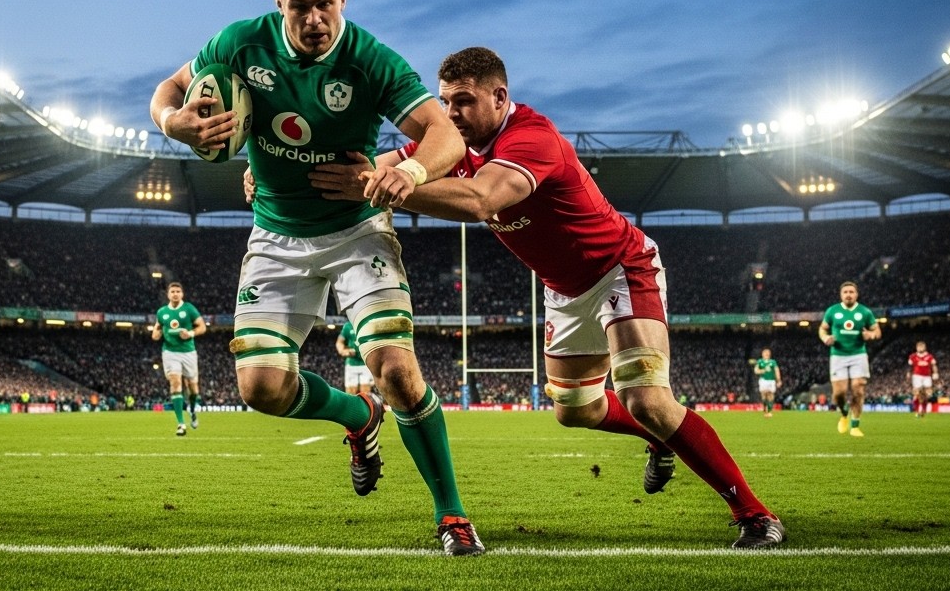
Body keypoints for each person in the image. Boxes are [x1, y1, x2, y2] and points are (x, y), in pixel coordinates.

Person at [308, 46, 785, 548]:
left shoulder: (530, 137)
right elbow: (375, 165)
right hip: (563, 289)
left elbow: (481, 200)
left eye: (464, 101)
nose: (451, 114)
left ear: (500, 96)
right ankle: (655, 438)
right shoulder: (452, 142)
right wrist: (284, 180)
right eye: (445, 102)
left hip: (620, 268)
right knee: (574, 409)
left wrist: (378, 187)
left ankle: (753, 513)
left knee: (646, 399)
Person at [150, 0, 482, 556]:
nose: (314, 21)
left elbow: (445, 137)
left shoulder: (369, 59)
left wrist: (408, 176)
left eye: (325, 5)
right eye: (299, 6)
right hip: (276, 234)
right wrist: (177, 124)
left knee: (398, 372)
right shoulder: (238, 44)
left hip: (357, 229)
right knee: (261, 389)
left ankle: (452, 515)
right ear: (278, 1)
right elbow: (166, 92)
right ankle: (357, 419)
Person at [818, 281, 880, 438]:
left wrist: (871, 335)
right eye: (845, 292)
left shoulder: (865, 312)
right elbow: (822, 328)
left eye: (851, 292)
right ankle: (844, 413)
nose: (848, 294)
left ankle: (855, 425)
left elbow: (876, 330)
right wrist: (825, 338)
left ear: (856, 294)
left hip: (858, 354)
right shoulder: (832, 311)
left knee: (858, 388)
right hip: (838, 355)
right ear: (841, 294)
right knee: (839, 393)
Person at [152, 282, 205, 436]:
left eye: (178, 291)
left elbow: (202, 327)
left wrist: (191, 334)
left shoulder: (189, 309)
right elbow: (157, 329)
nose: (175, 294)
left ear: (182, 294)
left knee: (193, 389)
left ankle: (193, 410)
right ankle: (181, 424)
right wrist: (156, 334)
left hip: (188, 352)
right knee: (175, 383)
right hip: (170, 352)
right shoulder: (162, 312)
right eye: (172, 291)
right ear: (168, 294)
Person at [337, 322, 373, 395]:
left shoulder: (367, 323)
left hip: (365, 363)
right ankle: (351, 406)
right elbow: (339, 342)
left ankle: (364, 406)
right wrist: (343, 351)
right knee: (351, 391)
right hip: (351, 363)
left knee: (365, 392)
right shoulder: (348, 326)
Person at [908, 341, 939, 418]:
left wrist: (935, 372)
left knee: (927, 394)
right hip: (917, 376)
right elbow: (910, 366)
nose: (920, 348)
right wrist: (909, 373)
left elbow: (934, 365)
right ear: (916, 348)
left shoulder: (929, 356)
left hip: (927, 376)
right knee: (917, 393)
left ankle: (923, 410)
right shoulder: (913, 356)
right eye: (919, 346)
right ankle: (917, 410)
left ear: (924, 347)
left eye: (922, 346)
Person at [752, 348, 781, 418]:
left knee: (770, 395)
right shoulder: (760, 361)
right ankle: (765, 409)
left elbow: (777, 370)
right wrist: (762, 371)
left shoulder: (773, 362)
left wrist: (779, 380)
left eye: (768, 353)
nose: (767, 354)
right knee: (764, 395)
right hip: (763, 380)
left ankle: (770, 411)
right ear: (762, 354)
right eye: (765, 353)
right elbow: (756, 370)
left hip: (771, 380)